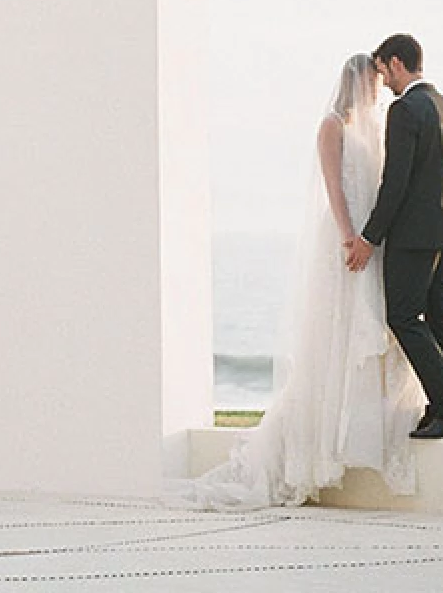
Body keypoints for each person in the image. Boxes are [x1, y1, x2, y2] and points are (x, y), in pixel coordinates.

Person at [169, 53, 423, 509]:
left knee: (370, 330)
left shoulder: (377, 126)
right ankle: (314, 447)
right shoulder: (333, 125)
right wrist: (349, 235)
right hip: (347, 236)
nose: (376, 89)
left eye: (379, 81)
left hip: (373, 239)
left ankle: (358, 432)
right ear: (354, 82)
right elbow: (334, 185)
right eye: (371, 81)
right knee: (338, 330)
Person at [344, 32, 443, 440]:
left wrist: (369, 237)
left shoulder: (405, 110)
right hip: (442, 229)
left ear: (396, 62)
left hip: (410, 237)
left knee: (403, 317)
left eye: (383, 70)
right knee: (442, 317)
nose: (383, 81)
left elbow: (394, 182)